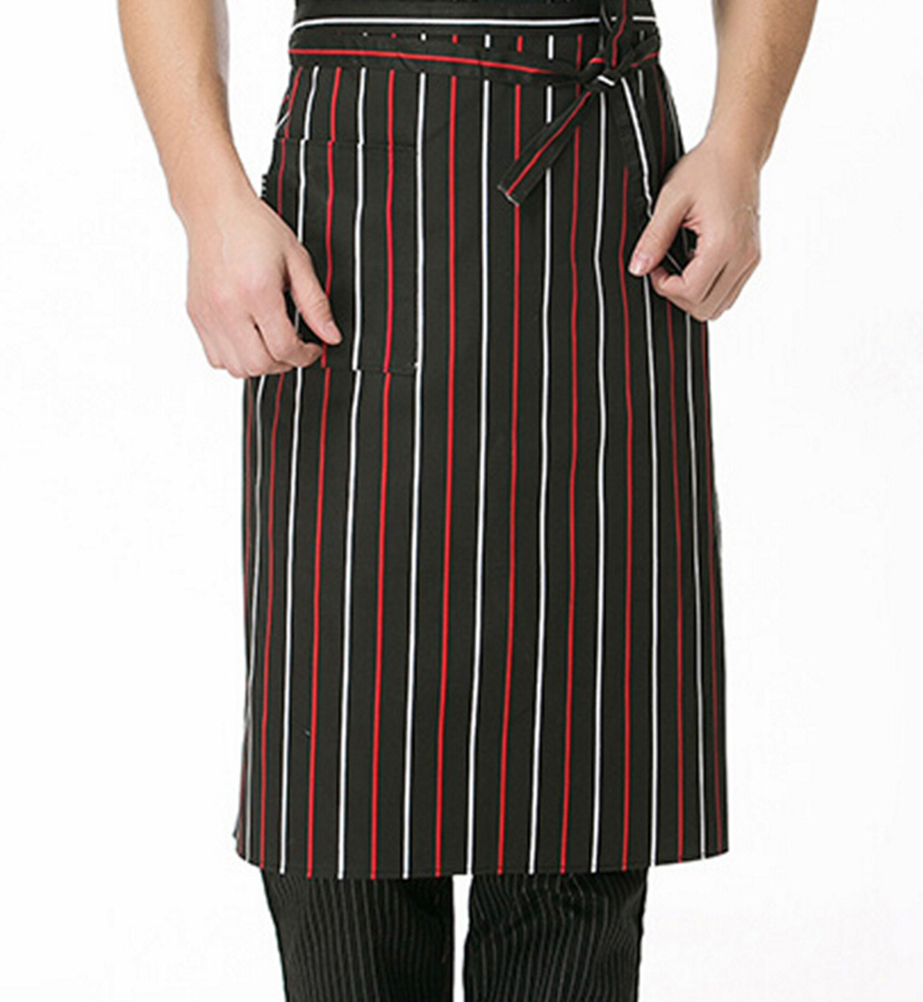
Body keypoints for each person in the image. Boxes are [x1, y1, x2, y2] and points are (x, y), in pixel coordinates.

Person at [118, 0, 817, 999]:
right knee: (341, 828)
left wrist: (741, 146)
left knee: (580, 826)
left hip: (601, 206)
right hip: (362, 205)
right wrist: (207, 199)